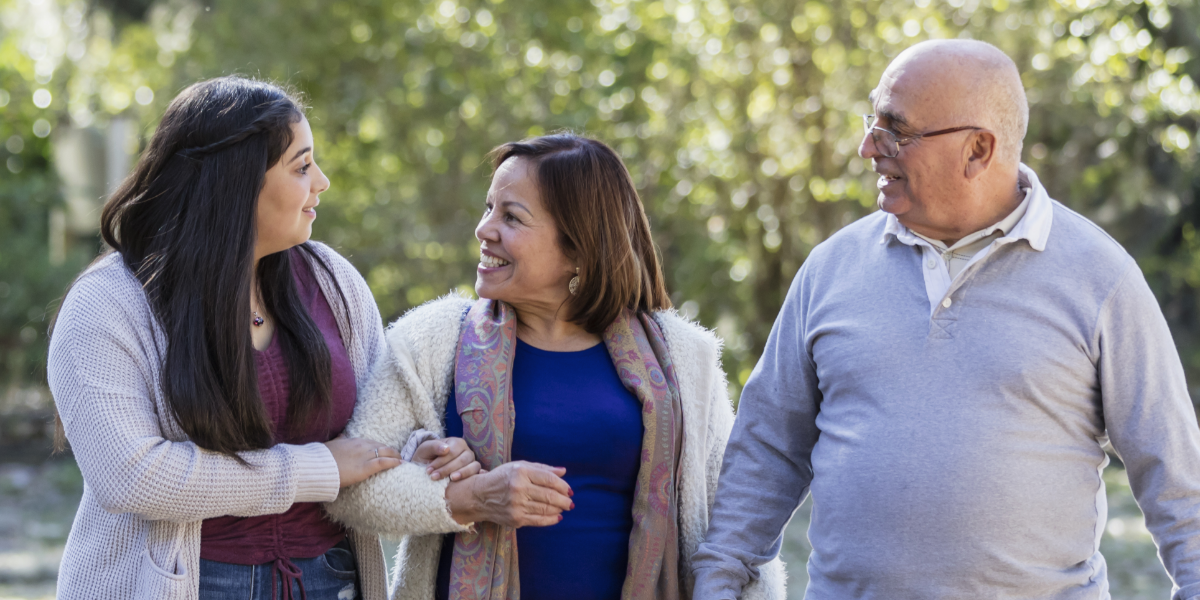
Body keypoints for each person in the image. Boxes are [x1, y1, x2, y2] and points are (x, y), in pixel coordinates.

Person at [691, 40, 1200, 599]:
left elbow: (1177, 479)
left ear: (978, 150)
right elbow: (767, 447)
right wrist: (717, 583)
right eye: (873, 122)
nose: (868, 147)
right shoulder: (831, 269)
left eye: (896, 130)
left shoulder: (1100, 277)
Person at [46, 76, 478, 600]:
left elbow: (372, 426)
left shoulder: (333, 282)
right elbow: (132, 476)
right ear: (236, 184)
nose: (321, 181)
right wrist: (316, 469)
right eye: (301, 166)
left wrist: (414, 452)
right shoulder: (108, 304)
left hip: (333, 580)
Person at [324, 133, 786, 600]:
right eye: (489, 209)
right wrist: (469, 496)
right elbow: (354, 490)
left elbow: (736, 523)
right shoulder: (431, 340)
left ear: (579, 249)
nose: (485, 229)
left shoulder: (683, 357)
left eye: (511, 217)